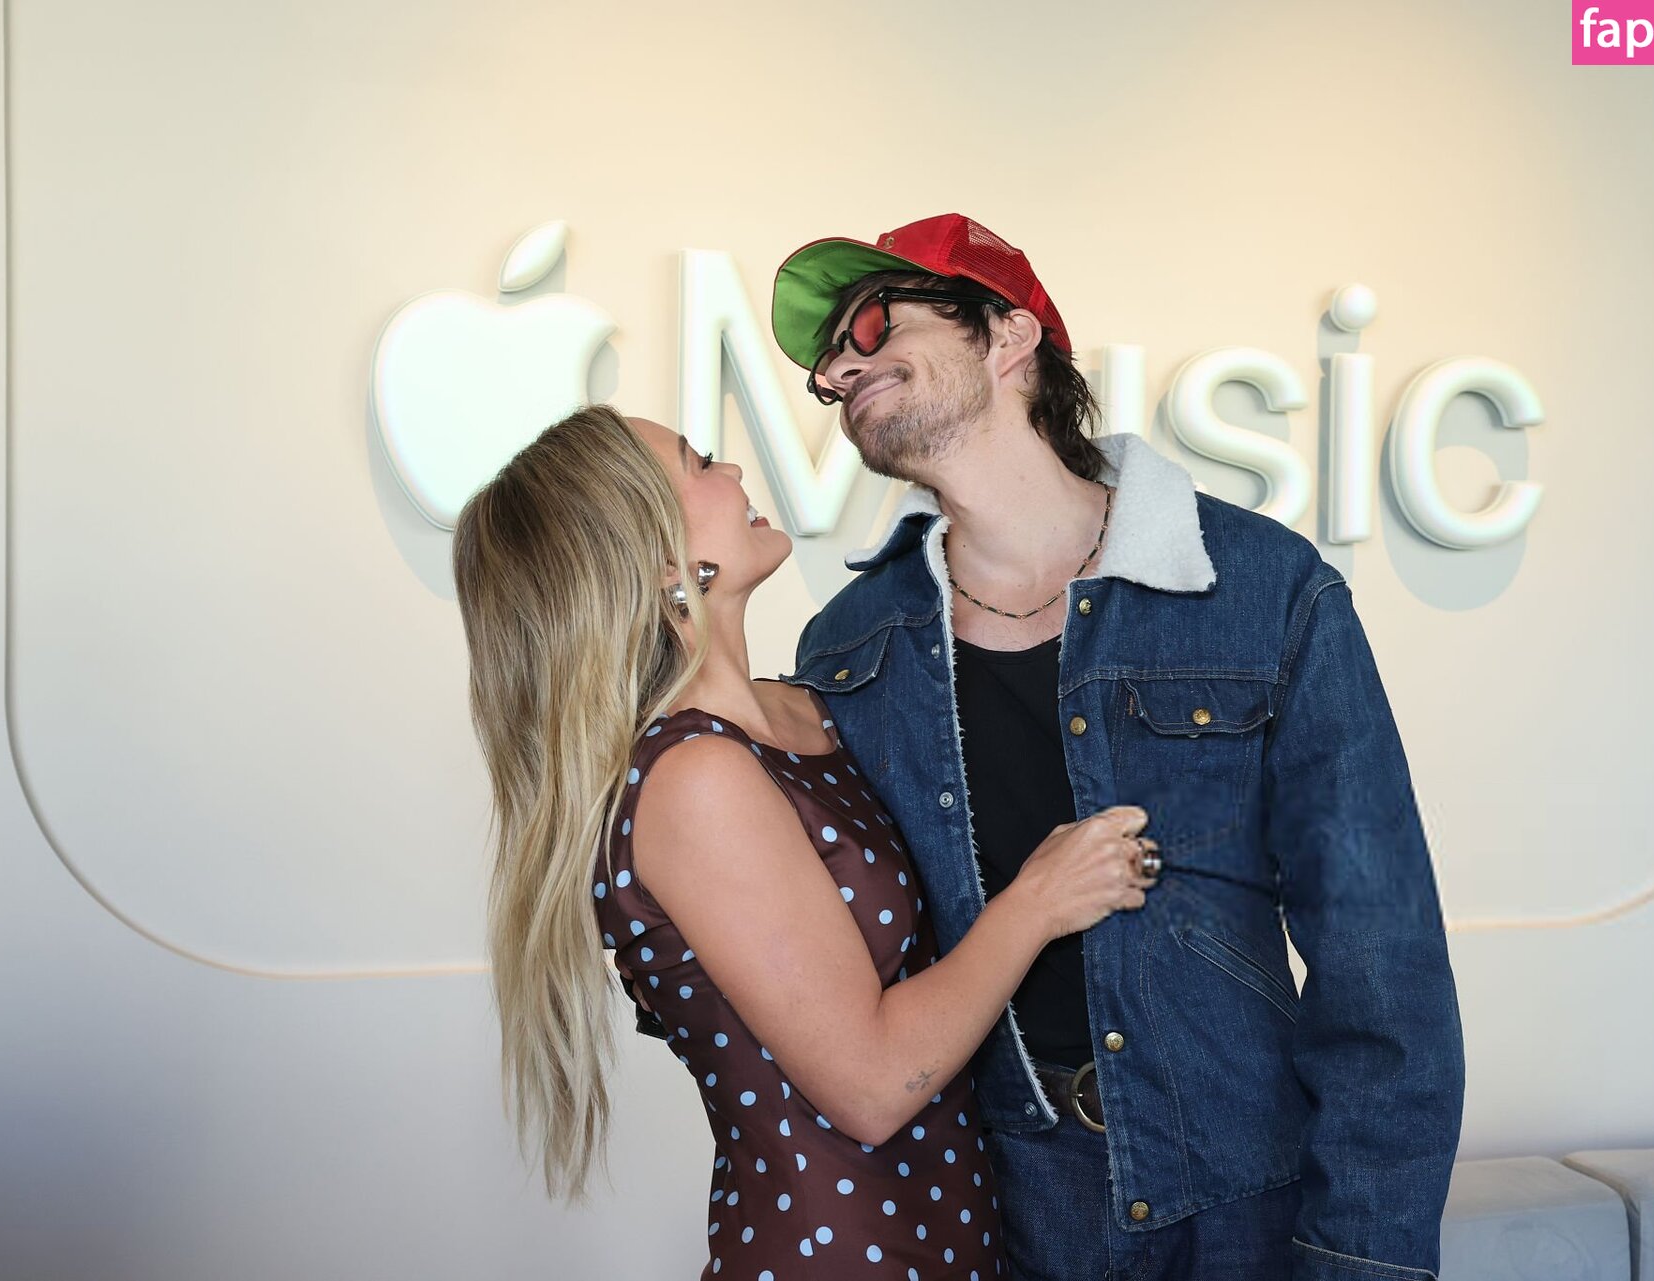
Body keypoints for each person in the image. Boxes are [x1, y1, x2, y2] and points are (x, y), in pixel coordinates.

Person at [770, 213, 1466, 1281]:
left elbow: (1382, 961)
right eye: (828, 365)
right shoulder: (850, 649)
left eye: (873, 324)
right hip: (1005, 1207)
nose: (840, 368)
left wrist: (1363, 1255)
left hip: (1244, 1200)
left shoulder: (1264, 589)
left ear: (1009, 335)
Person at [450, 403, 1161, 1279]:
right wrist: (1041, 900)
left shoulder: (806, 708)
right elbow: (873, 1084)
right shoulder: (692, 779)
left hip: (956, 1242)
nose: (733, 473)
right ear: (660, 556)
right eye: (698, 464)